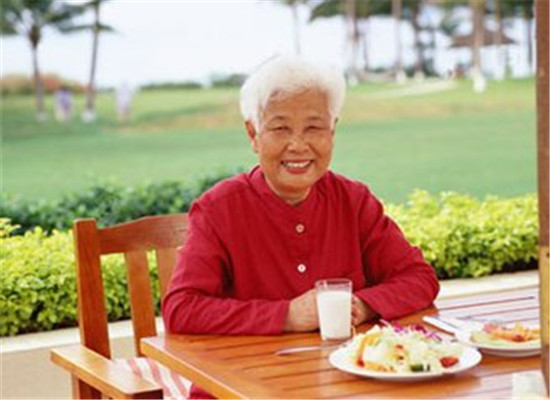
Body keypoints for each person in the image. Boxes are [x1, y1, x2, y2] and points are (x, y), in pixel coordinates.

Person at [162, 56, 439, 399]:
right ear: (253, 133)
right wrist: (287, 315)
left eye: (314, 127)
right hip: (240, 388)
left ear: (332, 131)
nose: (298, 145)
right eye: (280, 128)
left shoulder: (353, 200)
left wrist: (363, 305)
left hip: (344, 387)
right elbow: (181, 309)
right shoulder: (219, 208)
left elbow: (419, 278)